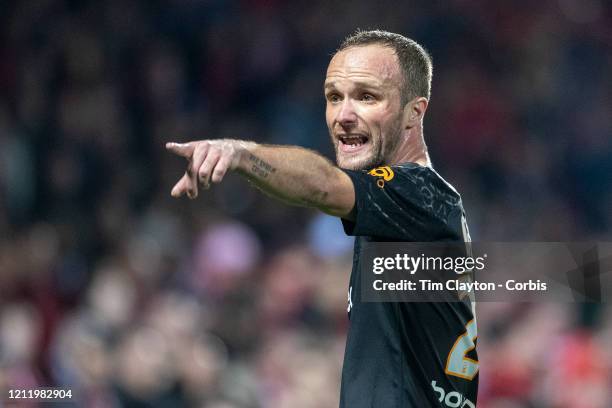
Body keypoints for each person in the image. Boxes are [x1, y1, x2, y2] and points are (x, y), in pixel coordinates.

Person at [167, 30, 478, 408]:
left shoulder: (418, 195)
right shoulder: (413, 213)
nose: (344, 115)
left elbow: (325, 187)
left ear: (415, 111)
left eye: (367, 96)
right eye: (334, 97)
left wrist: (240, 154)